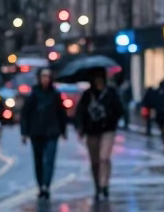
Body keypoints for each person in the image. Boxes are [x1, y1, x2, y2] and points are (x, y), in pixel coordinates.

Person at [75, 68, 123, 199]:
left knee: (104, 158)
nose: (98, 81)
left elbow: (119, 109)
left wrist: (111, 118)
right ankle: (97, 184)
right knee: (94, 160)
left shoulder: (111, 93)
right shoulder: (87, 95)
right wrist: (81, 128)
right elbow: (80, 112)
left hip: (108, 129)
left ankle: (104, 184)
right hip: (92, 131)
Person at [21, 66, 68, 198]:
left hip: (52, 131)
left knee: (50, 160)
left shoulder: (55, 94)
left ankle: (46, 185)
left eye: (48, 76)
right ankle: (41, 185)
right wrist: (24, 133)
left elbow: (61, 113)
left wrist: (64, 131)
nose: (46, 79)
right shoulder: (33, 95)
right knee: (39, 160)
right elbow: (26, 114)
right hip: (36, 132)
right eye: (43, 76)